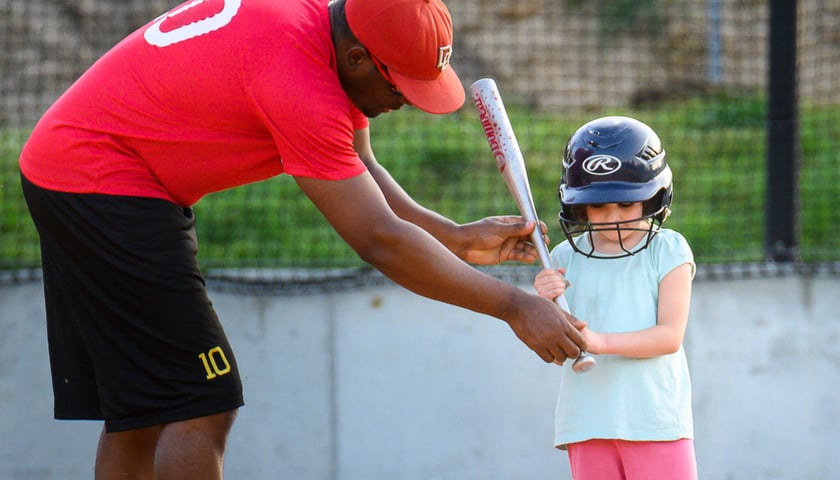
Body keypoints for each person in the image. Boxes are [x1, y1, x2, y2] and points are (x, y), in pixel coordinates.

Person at [17, 0, 588, 478]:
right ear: (359, 58)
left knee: (144, 411)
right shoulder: (299, 82)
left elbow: (361, 169)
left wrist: (455, 238)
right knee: (200, 403)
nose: (405, 103)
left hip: (80, 169)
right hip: (105, 182)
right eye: (402, 88)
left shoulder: (324, 28)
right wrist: (513, 305)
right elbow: (378, 240)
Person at [533, 116, 697, 479]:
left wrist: (599, 342)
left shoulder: (668, 251)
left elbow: (669, 336)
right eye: (598, 206)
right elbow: (552, 343)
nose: (611, 218)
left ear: (654, 197)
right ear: (579, 206)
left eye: (626, 205)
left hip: (655, 422)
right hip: (587, 422)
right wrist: (544, 303)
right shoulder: (562, 258)